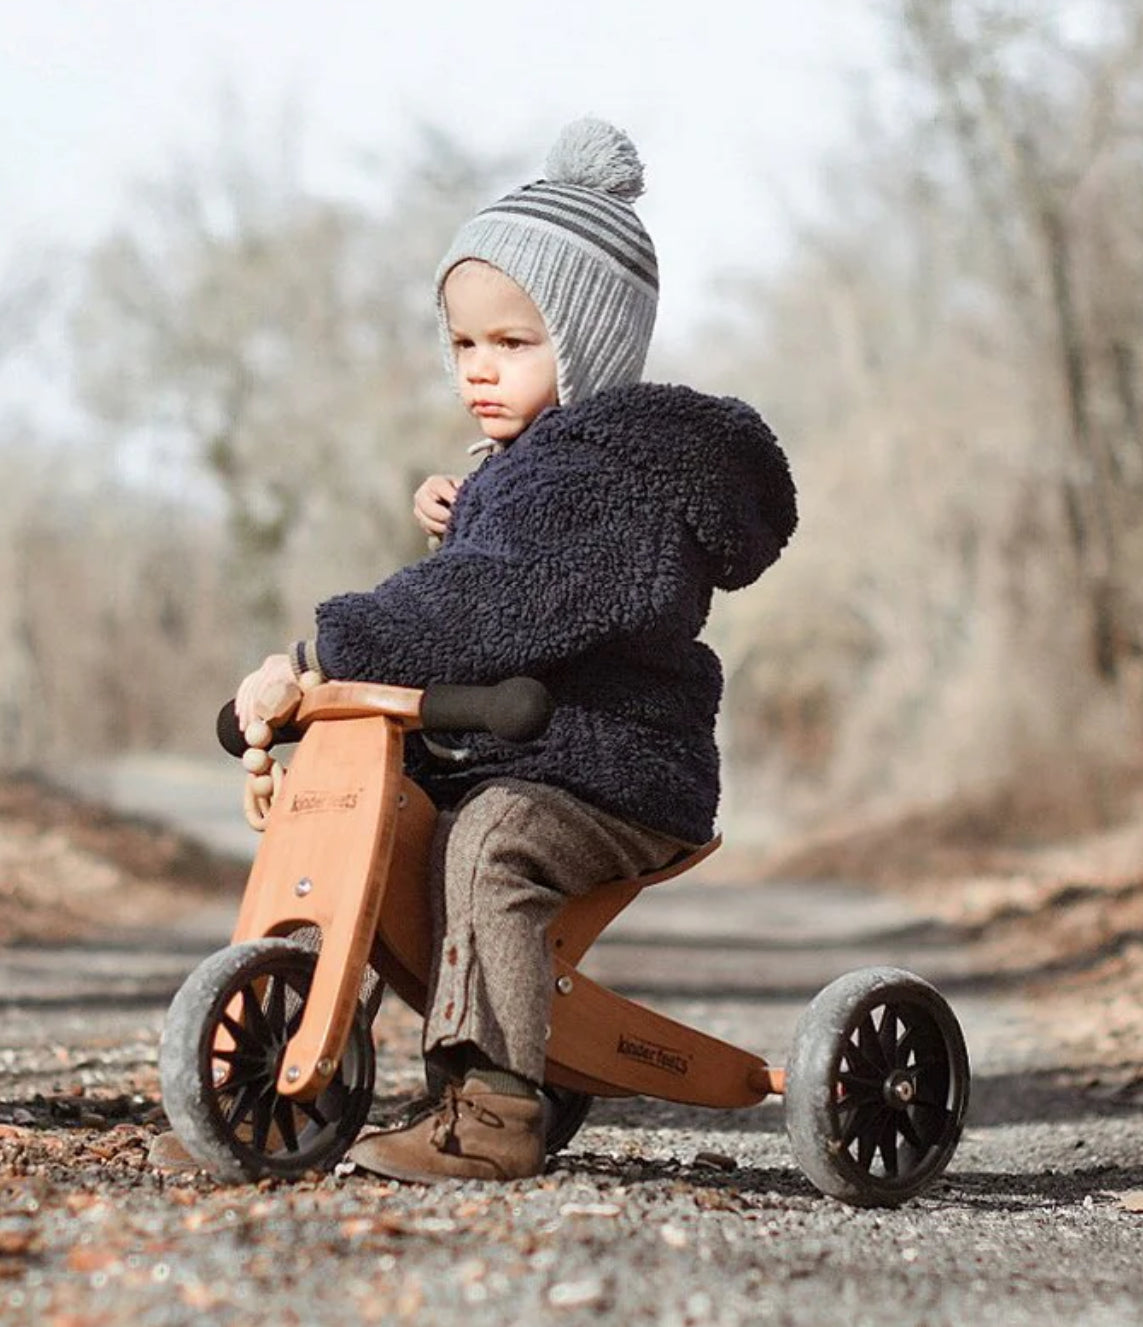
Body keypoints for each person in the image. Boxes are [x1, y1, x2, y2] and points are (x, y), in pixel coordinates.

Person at [232, 118, 798, 1184]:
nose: (479, 372)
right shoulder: (540, 465)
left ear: (582, 346)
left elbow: (500, 599)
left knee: (493, 843)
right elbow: (500, 571)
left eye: (512, 343)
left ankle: (492, 1109)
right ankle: (300, 1074)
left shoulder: (608, 476)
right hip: (534, 745)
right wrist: (462, 512)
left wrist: (323, 652)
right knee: (395, 826)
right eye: (463, 345)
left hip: (616, 760)